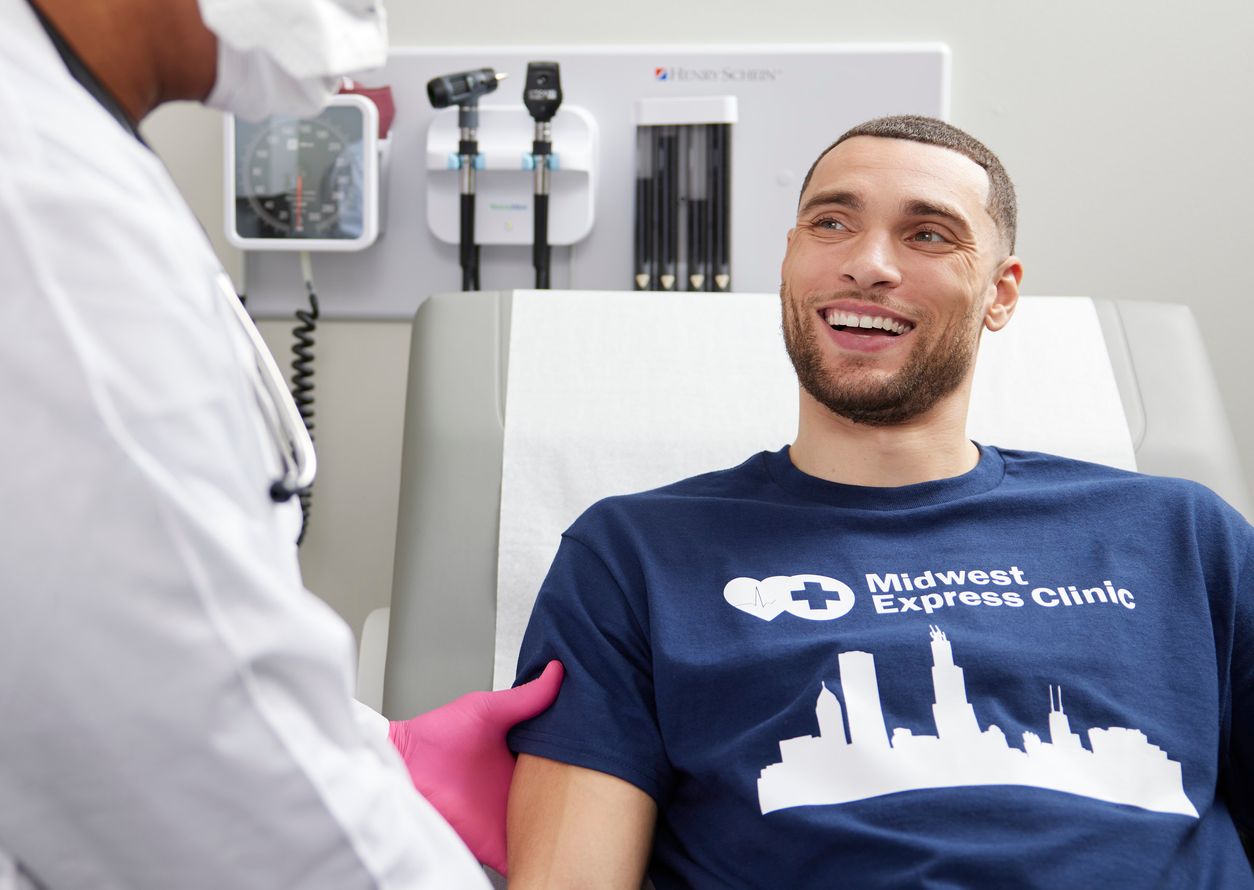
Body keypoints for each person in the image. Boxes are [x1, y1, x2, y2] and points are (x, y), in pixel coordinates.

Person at [505, 115, 1254, 887]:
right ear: (791, 260)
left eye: (928, 235)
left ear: (1000, 294)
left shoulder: (1181, 537)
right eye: (832, 223)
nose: (868, 265)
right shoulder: (635, 555)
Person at [0, 0, 561, 886]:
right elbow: (219, 791)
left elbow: (112, 640)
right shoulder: (21, 216)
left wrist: (376, 742)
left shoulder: (31, 126)